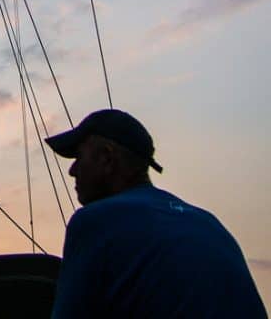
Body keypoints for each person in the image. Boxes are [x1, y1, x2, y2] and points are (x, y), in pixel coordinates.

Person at [45, 108, 267, 318]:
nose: (72, 170)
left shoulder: (93, 221)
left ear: (106, 157)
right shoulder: (208, 222)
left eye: (79, 157)